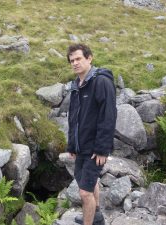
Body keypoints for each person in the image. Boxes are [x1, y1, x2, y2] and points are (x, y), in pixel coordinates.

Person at [66, 44, 117, 225]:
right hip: (82, 146)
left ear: (89, 58)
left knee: (85, 192)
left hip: (96, 148)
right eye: (72, 60)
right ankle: (96, 216)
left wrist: (103, 149)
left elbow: (108, 116)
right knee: (87, 183)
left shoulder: (101, 82)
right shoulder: (76, 85)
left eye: (78, 58)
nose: (75, 63)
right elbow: (74, 118)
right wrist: (72, 144)